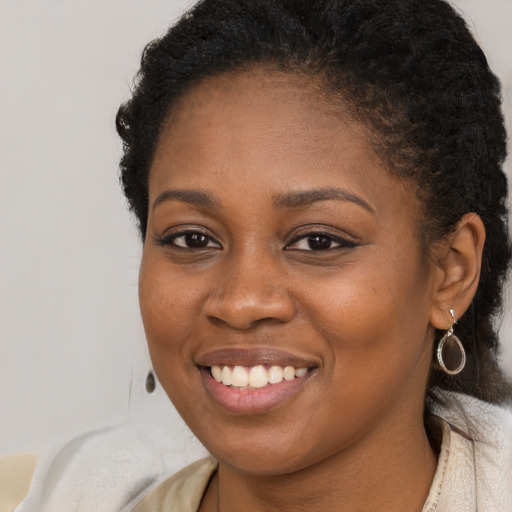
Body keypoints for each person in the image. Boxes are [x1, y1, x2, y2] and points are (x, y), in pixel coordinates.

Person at [6, 0, 512, 511]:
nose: (241, 302)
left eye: (318, 241)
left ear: (451, 270)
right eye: (192, 239)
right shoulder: (77, 498)